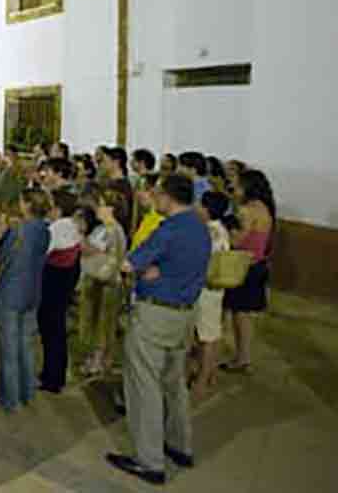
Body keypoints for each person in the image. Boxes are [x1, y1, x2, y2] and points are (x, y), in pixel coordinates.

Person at [107, 175, 210, 485]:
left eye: (157, 195)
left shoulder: (168, 230)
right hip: (185, 314)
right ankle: (180, 445)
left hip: (156, 314)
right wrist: (157, 270)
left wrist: (146, 269)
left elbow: (128, 264)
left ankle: (149, 460)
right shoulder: (199, 226)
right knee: (174, 382)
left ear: (167, 197)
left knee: (144, 385)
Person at [0, 189, 51, 412]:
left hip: (10, 294)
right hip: (33, 293)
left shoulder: (18, 231)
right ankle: (27, 391)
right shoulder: (45, 230)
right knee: (26, 344)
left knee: (9, 348)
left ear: (27, 205)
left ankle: (9, 398)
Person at [221, 170, 275, 373]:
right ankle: (243, 356)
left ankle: (241, 358)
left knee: (240, 315)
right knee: (243, 315)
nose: (234, 189)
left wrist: (224, 228)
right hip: (258, 264)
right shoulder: (264, 207)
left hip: (244, 266)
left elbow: (237, 241)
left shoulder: (247, 210)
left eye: (238, 185)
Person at [78, 190, 129, 377]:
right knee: (100, 322)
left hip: (104, 282)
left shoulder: (109, 229)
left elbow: (89, 249)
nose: (96, 208)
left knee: (100, 322)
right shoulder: (111, 228)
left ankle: (98, 361)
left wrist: (79, 234)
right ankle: (99, 358)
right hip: (104, 281)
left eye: (101, 204)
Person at [38, 189, 81, 393]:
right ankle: (54, 374)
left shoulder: (58, 228)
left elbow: (42, 251)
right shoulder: (72, 225)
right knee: (56, 330)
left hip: (54, 283)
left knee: (51, 330)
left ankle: (52, 378)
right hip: (64, 283)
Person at [192, 191, 231, 401]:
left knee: (206, 336)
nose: (196, 207)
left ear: (207, 209)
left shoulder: (211, 233)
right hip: (211, 290)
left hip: (206, 290)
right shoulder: (216, 230)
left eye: (199, 204)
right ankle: (210, 373)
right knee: (210, 333)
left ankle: (203, 379)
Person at [131, 174, 164, 251]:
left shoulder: (160, 222)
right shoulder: (146, 218)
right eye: (138, 189)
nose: (139, 193)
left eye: (146, 189)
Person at [0, 152, 26, 223]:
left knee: (9, 206)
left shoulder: (17, 167)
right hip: (4, 184)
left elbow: (19, 174)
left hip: (12, 186)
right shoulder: (5, 171)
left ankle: (5, 220)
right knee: (1, 204)